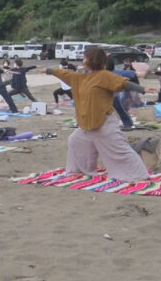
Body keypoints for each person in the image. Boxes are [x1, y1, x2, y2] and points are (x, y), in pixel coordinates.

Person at [46, 47, 154, 182]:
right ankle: (80, 170)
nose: (83, 60)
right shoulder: (81, 77)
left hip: (104, 124)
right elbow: (64, 74)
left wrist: (142, 89)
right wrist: (48, 70)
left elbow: (123, 83)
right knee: (76, 141)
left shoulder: (104, 75)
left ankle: (139, 175)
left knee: (120, 151)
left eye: (85, 57)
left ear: (92, 60)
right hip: (87, 125)